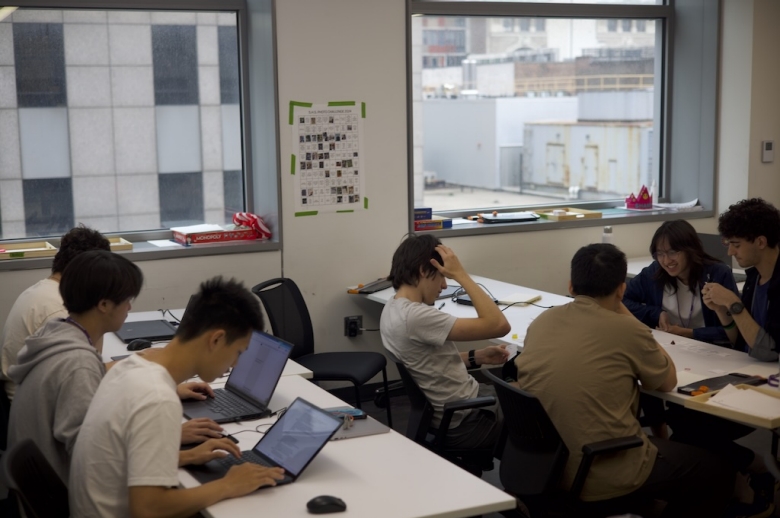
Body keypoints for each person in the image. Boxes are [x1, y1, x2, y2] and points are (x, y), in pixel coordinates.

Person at [515, 243, 735, 517]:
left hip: (544, 464)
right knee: (718, 470)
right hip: (600, 468)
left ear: (571, 286)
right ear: (621, 289)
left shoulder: (542, 321)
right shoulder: (627, 329)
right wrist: (630, 318)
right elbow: (667, 382)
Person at [69, 277, 285, 517]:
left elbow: (119, 460)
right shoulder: (158, 398)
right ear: (216, 339)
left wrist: (186, 457)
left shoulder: (129, 367)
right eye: (238, 352)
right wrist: (228, 485)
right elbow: (148, 509)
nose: (234, 363)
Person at [7, 251, 223, 486]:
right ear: (103, 304)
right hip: (67, 488)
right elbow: (93, 461)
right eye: (127, 299)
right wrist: (179, 451)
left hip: (49, 478)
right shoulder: (77, 364)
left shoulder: (58, 333)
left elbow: (93, 415)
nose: (129, 307)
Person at [380, 234, 511, 450]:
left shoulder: (393, 308)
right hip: (469, 421)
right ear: (423, 270)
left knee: (520, 393)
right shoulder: (416, 316)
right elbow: (499, 325)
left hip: (452, 415)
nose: (443, 285)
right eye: (442, 276)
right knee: (537, 406)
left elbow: (426, 362)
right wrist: (461, 275)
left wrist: (478, 356)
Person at [1, 225, 110, 400]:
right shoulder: (61, 310)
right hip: (38, 405)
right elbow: (85, 374)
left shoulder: (42, 290)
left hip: (28, 396)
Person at [623, 219, 740, 345]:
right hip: (669, 346)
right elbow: (621, 300)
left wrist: (689, 333)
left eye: (672, 252)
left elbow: (735, 331)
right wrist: (656, 313)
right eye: (660, 254)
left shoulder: (718, 274)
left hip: (712, 350)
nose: (666, 261)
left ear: (690, 250)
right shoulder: (654, 273)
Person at [704, 198, 780, 362]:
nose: (730, 252)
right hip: (750, 368)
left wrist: (732, 301)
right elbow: (740, 342)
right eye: (729, 244)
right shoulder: (754, 277)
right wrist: (721, 309)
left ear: (761, 242)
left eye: (736, 245)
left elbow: (769, 351)